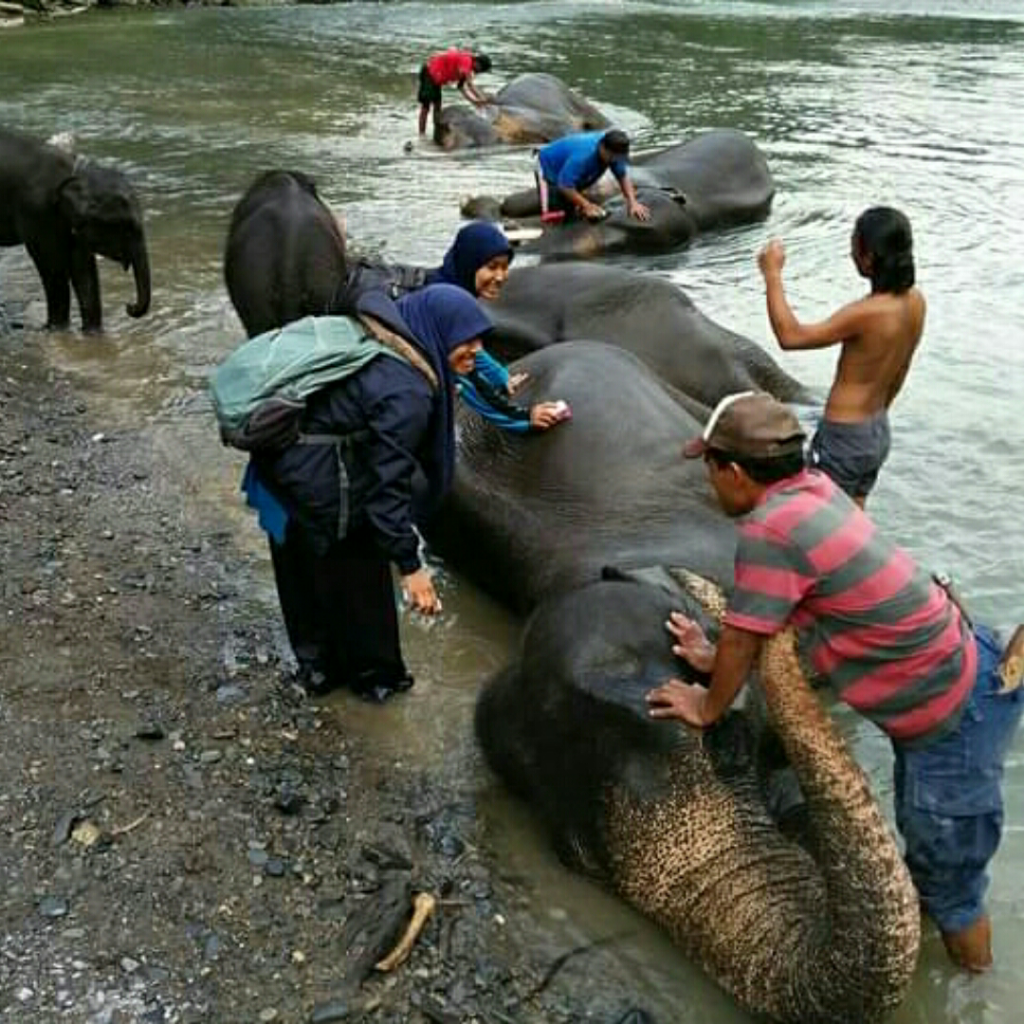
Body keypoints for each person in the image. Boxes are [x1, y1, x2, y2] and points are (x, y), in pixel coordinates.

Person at [644, 390, 1024, 973]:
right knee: (936, 859)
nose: (709, 481)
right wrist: (716, 653)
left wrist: (708, 704)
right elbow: (786, 612)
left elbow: (748, 635)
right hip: (965, 666)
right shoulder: (818, 490)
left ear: (736, 472)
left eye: (710, 468)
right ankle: (929, 938)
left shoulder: (769, 530)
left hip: (953, 716)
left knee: (954, 890)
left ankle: (973, 987)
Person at [245, 284, 493, 704]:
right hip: (309, 486)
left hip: (276, 471)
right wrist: (410, 565)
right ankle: (378, 684)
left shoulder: (379, 333)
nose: (477, 349)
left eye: (480, 337)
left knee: (301, 578)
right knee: (363, 580)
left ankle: (318, 671)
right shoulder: (408, 390)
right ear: (439, 332)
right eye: (465, 339)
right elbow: (386, 489)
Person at [757, 206, 926, 507]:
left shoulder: (866, 313)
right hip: (877, 431)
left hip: (845, 436)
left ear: (869, 258)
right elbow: (901, 371)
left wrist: (772, 274)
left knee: (817, 520)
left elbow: (790, 336)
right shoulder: (916, 303)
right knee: (854, 526)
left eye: (853, 246)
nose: (850, 254)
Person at [427, 221, 569, 432]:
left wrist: (501, 377)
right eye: (492, 267)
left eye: (505, 267)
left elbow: (475, 352)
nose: (501, 277)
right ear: (469, 263)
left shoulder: (452, 287)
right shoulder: (447, 305)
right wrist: (525, 420)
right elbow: (467, 382)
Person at [535, 128, 650, 224]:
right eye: (612, 157)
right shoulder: (583, 157)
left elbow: (622, 177)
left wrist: (632, 202)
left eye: (618, 158)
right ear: (603, 149)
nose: (615, 161)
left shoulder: (615, 154)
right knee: (554, 213)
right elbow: (565, 186)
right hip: (548, 165)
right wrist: (587, 205)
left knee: (573, 206)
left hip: (573, 168)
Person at [418, 49, 492, 137]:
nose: (479, 72)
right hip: (429, 73)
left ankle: (436, 133)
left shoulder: (467, 67)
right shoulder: (466, 61)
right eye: (481, 70)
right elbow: (469, 85)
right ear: (478, 63)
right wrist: (482, 99)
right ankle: (421, 135)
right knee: (426, 107)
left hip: (436, 78)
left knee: (437, 107)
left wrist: (474, 101)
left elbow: (461, 87)